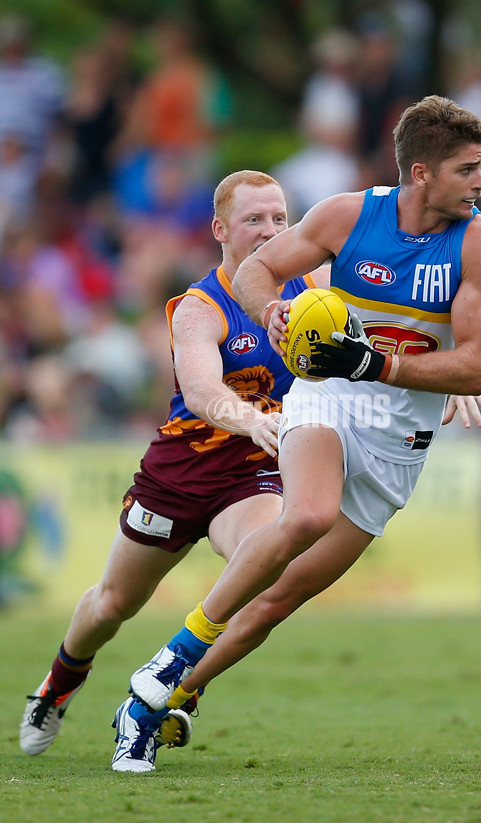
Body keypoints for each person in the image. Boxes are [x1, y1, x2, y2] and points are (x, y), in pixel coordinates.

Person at [118, 95, 481, 768]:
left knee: (275, 600)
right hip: (327, 398)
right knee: (307, 515)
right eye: (468, 169)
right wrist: (272, 311)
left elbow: (474, 366)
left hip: (396, 441)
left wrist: (382, 362)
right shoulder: (346, 214)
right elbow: (257, 268)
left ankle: (162, 694)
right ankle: (170, 659)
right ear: (421, 173)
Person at [19, 169, 325, 765]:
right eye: (254, 220)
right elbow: (204, 390)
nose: (271, 231)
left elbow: (394, 314)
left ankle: (174, 685)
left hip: (249, 475)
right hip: (177, 478)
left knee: (265, 552)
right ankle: (57, 686)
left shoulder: (314, 289)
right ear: (219, 229)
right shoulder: (198, 307)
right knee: (111, 605)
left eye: (281, 218)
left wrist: (447, 379)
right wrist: (250, 418)